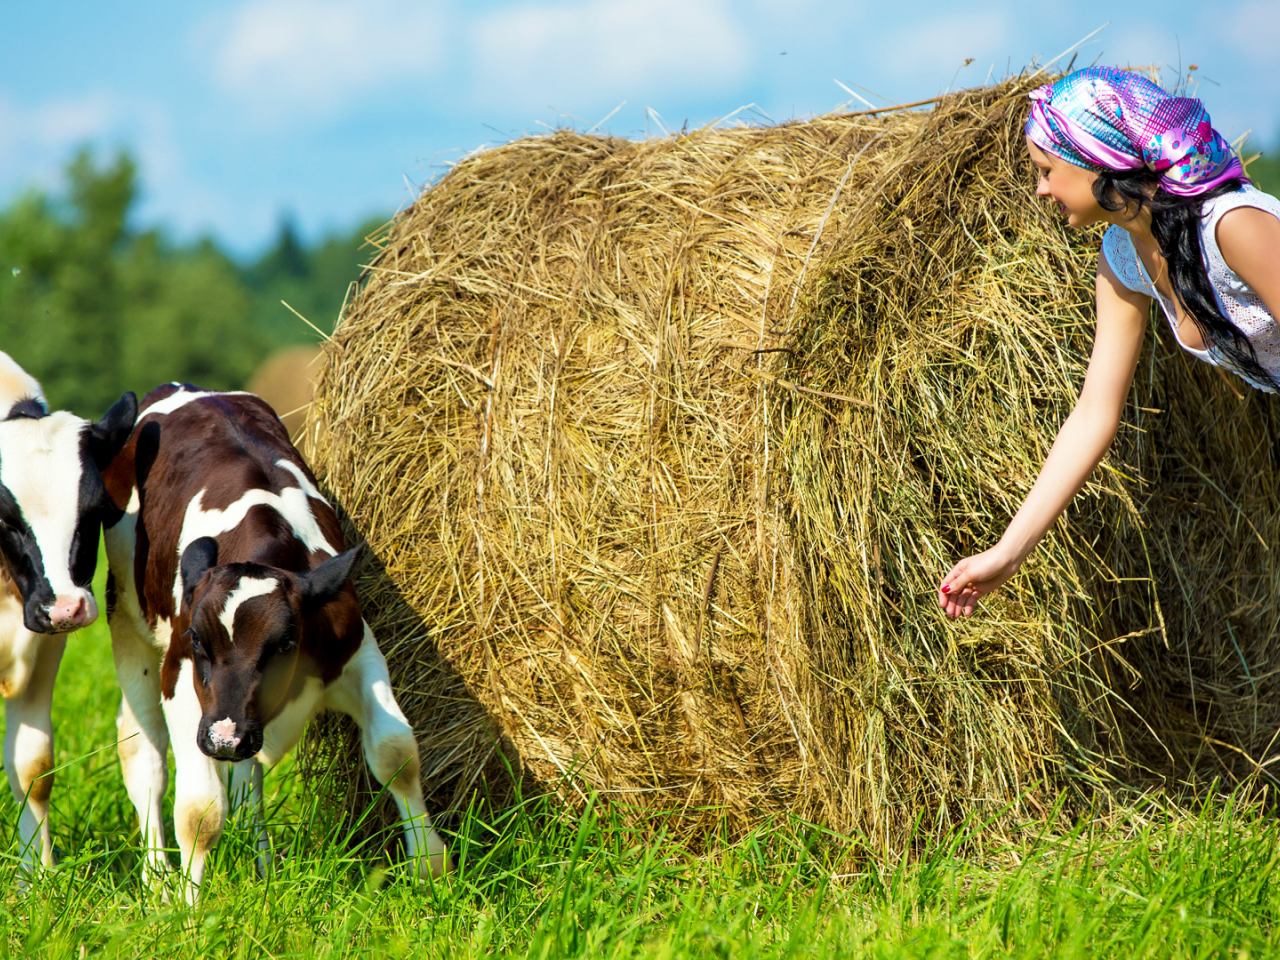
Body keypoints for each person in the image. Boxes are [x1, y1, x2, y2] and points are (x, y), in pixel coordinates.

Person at [938, 67, 1280, 619]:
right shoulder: (1122, 257)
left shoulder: (1232, 225)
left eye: (1047, 169)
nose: (1041, 188)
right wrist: (1007, 553)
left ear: (1096, 157)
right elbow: (1095, 414)